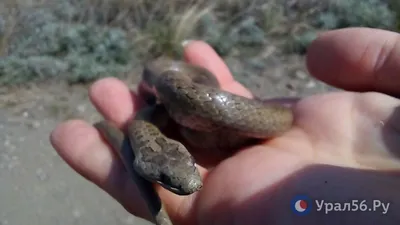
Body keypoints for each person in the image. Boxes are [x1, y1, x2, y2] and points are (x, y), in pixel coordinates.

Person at [50, 27, 400, 225]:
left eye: (183, 169)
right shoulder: (158, 109)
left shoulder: (172, 106)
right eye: (169, 179)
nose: (190, 182)